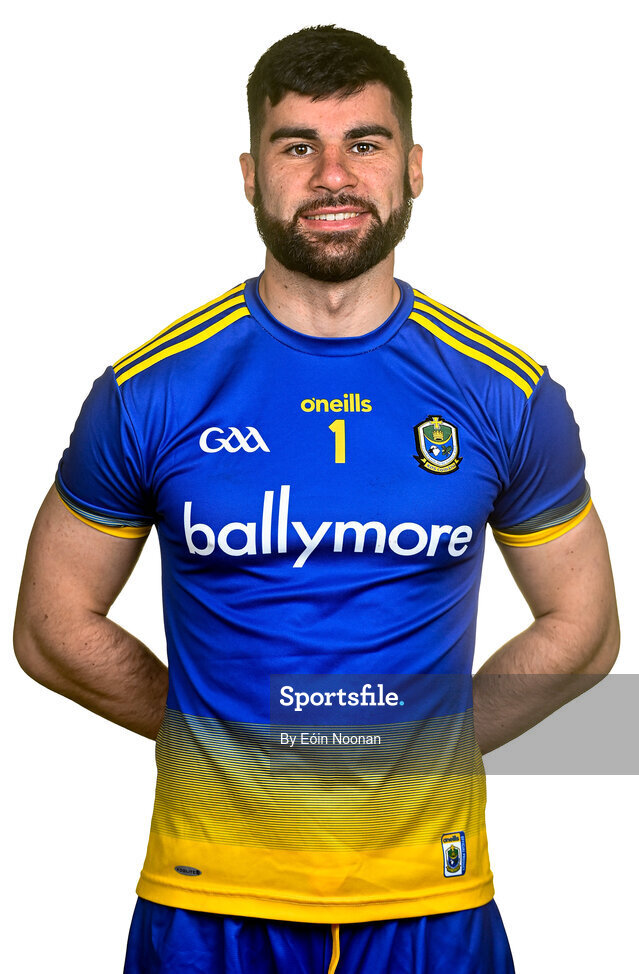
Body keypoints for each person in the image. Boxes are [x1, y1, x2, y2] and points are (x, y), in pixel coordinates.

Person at [13, 24, 619, 974]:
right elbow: (52, 624)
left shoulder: (506, 392)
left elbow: (581, 626)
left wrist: (435, 737)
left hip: (432, 902)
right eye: (297, 146)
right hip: (207, 903)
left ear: (413, 168)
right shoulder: (151, 390)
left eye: (364, 144)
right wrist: (211, 727)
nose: (332, 175)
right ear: (250, 174)